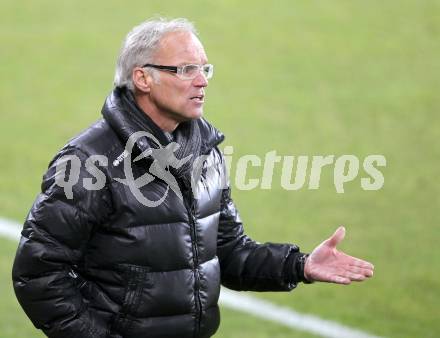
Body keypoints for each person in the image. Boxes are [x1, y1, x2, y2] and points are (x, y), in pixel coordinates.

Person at [12, 18, 374, 338]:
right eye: (185, 69)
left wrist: (300, 265)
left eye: (205, 69)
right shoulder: (89, 162)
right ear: (143, 78)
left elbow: (228, 253)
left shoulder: (206, 152)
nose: (201, 81)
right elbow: (38, 273)